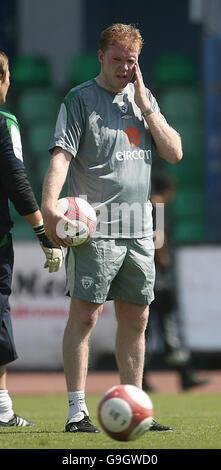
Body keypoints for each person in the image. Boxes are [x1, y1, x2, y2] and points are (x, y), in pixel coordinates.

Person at [41, 23, 183, 433]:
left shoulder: (144, 99)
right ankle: (76, 412)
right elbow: (60, 161)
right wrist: (50, 207)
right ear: (101, 57)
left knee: (137, 318)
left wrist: (147, 105)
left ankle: (136, 404)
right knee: (86, 317)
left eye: (131, 61)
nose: (124, 67)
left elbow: (174, 152)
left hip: (139, 229)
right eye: (117, 59)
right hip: (94, 230)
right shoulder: (79, 100)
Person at [0, 50, 64, 427]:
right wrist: (44, 235)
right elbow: (17, 182)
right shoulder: (4, 121)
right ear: (2, 79)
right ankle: (3, 410)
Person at [142, 171, 209, 391]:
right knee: (163, 326)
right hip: (157, 277)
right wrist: (165, 262)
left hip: (143, 274)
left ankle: (179, 375)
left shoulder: (144, 205)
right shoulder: (159, 208)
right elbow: (158, 239)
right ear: (169, 191)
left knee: (149, 329)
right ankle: (178, 375)